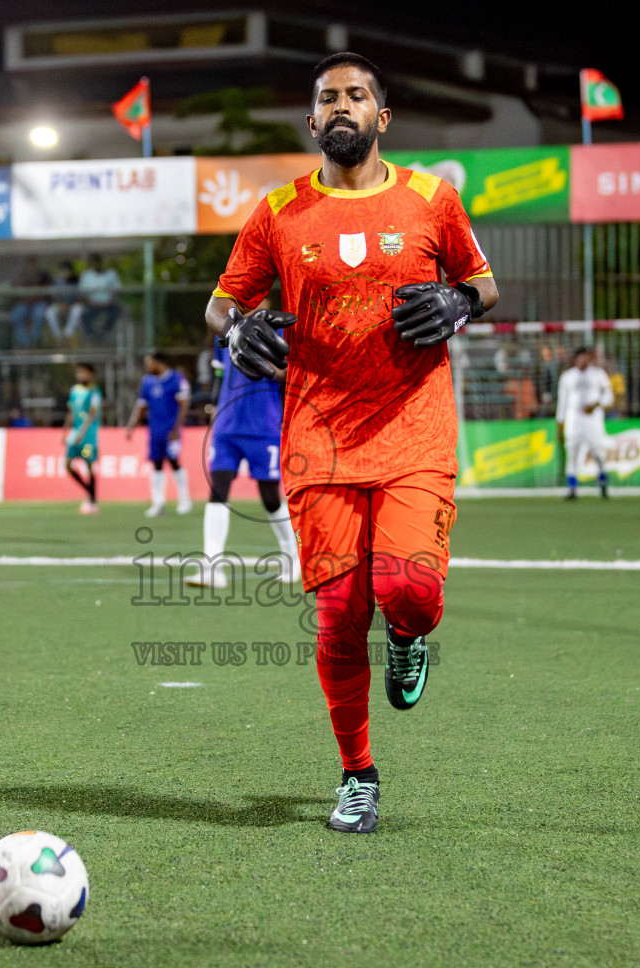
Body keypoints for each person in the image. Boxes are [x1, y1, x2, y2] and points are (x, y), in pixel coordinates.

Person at [204, 52, 497, 833]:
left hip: (415, 429)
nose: (343, 105)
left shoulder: (435, 199)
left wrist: (459, 303)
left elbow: (483, 285)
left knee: (409, 592)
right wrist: (238, 331)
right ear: (312, 121)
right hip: (317, 440)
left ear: (382, 118)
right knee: (337, 615)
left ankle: (408, 638)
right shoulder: (278, 212)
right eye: (329, 97)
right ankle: (358, 774)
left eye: (357, 95)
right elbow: (222, 304)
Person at [188, 307, 300, 589]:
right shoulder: (225, 332)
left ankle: (291, 556)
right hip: (226, 425)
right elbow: (219, 376)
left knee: (269, 496)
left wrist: (274, 370)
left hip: (263, 425)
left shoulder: (280, 329)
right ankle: (212, 567)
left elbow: (292, 374)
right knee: (219, 490)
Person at [125, 351, 192, 517]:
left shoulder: (176, 378)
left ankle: (184, 500)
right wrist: (131, 425)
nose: (147, 366)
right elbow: (141, 405)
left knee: (174, 461)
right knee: (156, 464)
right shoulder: (147, 382)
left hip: (171, 430)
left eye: (149, 362)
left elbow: (184, 405)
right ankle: (158, 502)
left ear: (158, 362)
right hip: (155, 430)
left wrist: (177, 428)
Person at [556, 347, 613, 499]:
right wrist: (560, 424)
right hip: (574, 421)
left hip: (593, 420)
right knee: (572, 455)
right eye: (581, 357)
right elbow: (562, 403)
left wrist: (596, 404)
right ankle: (572, 489)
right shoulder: (567, 377)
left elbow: (609, 397)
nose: (584, 360)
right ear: (575, 359)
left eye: (586, 357)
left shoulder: (599, 375)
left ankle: (602, 484)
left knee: (598, 454)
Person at [65, 362, 102, 514]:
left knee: (88, 465)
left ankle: (92, 501)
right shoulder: (74, 390)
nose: (81, 375)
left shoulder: (94, 392)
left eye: (84, 373)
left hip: (87, 437)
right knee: (68, 465)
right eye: (79, 373)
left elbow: (92, 415)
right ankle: (90, 492)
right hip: (75, 435)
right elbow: (71, 411)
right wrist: (64, 430)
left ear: (91, 374)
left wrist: (81, 433)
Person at [78, 253, 123, 342]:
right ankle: (91, 336)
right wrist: (91, 303)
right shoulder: (86, 275)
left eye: (97, 262)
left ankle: (106, 332)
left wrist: (110, 302)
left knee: (115, 312)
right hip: (92, 304)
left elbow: (117, 290)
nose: (95, 265)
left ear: (100, 262)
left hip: (109, 304)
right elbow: (82, 293)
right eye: (92, 263)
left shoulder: (111, 273)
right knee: (85, 314)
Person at [9, 257, 52, 348]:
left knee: (39, 315)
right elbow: (15, 288)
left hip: (39, 302)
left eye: (34, 264)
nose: (32, 266)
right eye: (30, 264)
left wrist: (34, 297)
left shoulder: (43, 274)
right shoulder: (23, 275)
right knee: (16, 315)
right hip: (25, 302)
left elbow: (46, 293)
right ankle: (24, 343)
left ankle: (33, 342)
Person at [46, 261, 82, 344]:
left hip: (72, 305)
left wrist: (69, 305)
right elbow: (53, 297)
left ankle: (67, 335)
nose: (65, 273)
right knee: (49, 312)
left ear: (71, 271)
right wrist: (60, 304)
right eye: (63, 271)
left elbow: (79, 297)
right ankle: (58, 336)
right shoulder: (57, 281)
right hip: (60, 305)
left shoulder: (76, 281)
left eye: (67, 271)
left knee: (78, 310)